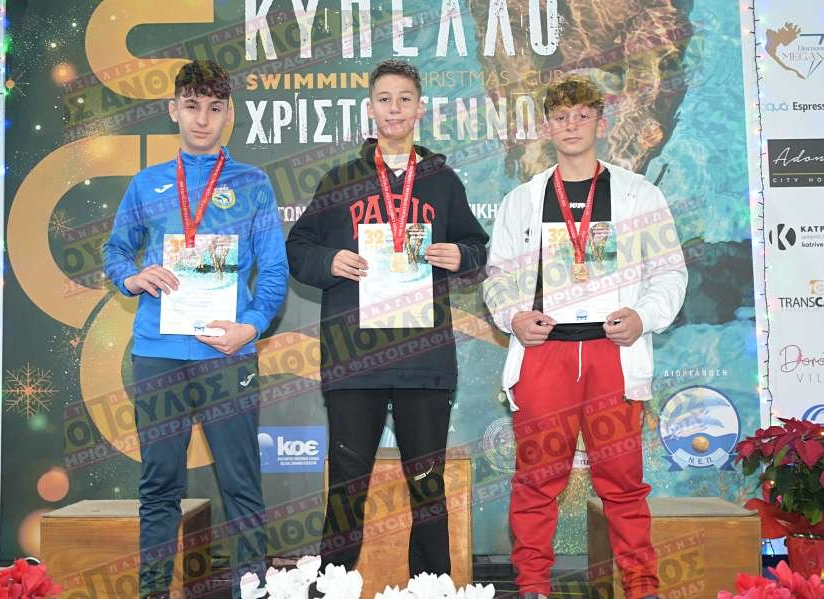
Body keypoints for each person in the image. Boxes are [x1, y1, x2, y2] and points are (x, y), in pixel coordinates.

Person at [483, 75, 687, 599]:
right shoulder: (522, 200)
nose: (571, 126)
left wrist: (643, 316)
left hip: (612, 354)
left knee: (622, 481)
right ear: (547, 127)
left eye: (581, 116)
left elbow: (670, 272)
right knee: (536, 480)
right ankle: (532, 586)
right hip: (543, 354)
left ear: (601, 121)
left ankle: (641, 587)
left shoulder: (639, 194)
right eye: (560, 117)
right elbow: (497, 277)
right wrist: (513, 316)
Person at [286, 59, 489, 583]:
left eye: (404, 99)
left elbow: (477, 249)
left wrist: (460, 256)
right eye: (384, 99)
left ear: (420, 109)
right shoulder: (339, 180)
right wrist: (329, 260)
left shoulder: (443, 182)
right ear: (370, 109)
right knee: (347, 484)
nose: (394, 108)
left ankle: (433, 587)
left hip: (424, 359)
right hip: (355, 360)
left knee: (427, 484)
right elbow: (298, 248)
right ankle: (333, 584)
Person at [102, 59, 287, 599]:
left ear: (229, 113)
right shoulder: (147, 183)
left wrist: (251, 327)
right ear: (173, 110)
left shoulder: (253, 183)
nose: (202, 119)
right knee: (159, 484)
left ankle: (251, 590)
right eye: (191, 107)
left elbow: (274, 270)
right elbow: (115, 250)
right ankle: (154, 592)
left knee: (240, 483)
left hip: (227, 353)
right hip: (158, 353)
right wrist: (132, 277)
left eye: (213, 108)